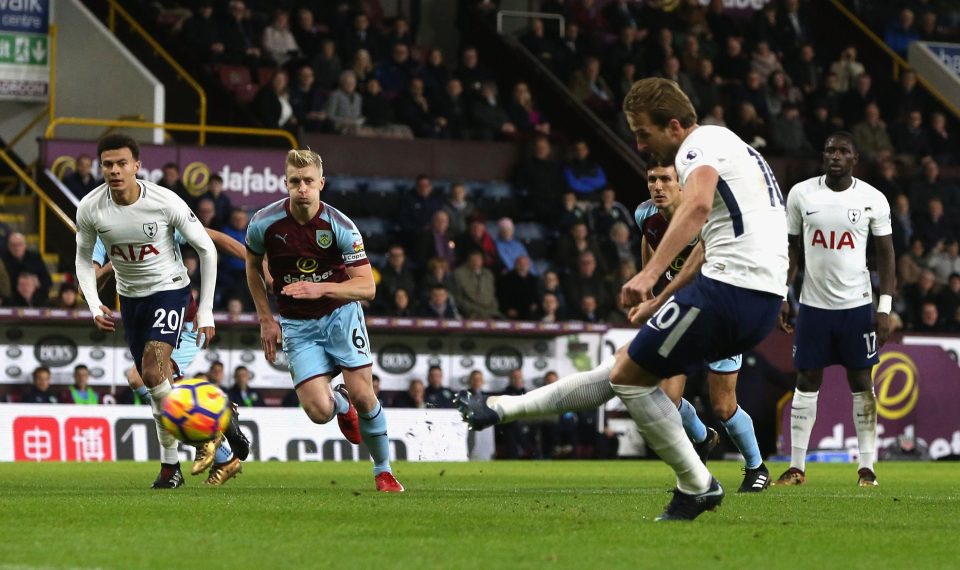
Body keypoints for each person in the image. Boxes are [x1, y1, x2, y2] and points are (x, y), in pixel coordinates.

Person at [458, 78, 788, 520]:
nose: (638, 143)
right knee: (626, 366)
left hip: (731, 290)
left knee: (631, 376)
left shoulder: (696, 148)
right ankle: (500, 409)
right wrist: (658, 299)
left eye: (643, 131)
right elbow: (708, 245)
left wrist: (648, 273)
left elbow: (697, 208)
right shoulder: (733, 146)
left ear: (673, 126)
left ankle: (698, 484)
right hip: (757, 296)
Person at [245, 149, 404, 492]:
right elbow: (252, 266)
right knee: (319, 411)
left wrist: (323, 289)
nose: (302, 188)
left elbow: (368, 287)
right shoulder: (263, 222)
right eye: (295, 181)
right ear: (285, 183)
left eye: (308, 182)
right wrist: (265, 318)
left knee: (365, 395)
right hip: (296, 324)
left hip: (339, 316)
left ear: (321, 184)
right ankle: (341, 404)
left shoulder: (340, 225)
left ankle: (384, 472)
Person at [74, 133, 222, 489]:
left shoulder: (164, 201)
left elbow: (207, 249)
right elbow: (82, 259)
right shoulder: (90, 208)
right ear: (100, 167)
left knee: (153, 372)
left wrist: (205, 311)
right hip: (132, 301)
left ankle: (204, 435)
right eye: (107, 164)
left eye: (122, 163)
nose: (114, 170)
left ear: (136, 166)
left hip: (170, 291)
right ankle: (171, 468)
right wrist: (94, 304)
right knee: (154, 386)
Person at [774, 132, 895, 488]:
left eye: (843, 151)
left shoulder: (873, 199)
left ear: (855, 158)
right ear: (823, 156)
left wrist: (884, 307)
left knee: (862, 382)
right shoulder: (801, 194)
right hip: (813, 306)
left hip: (857, 307)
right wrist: (782, 293)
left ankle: (867, 469)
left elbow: (886, 255)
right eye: (830, 150)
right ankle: (797, 468)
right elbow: (791, 249)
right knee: (806, 380)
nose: (836, 156)